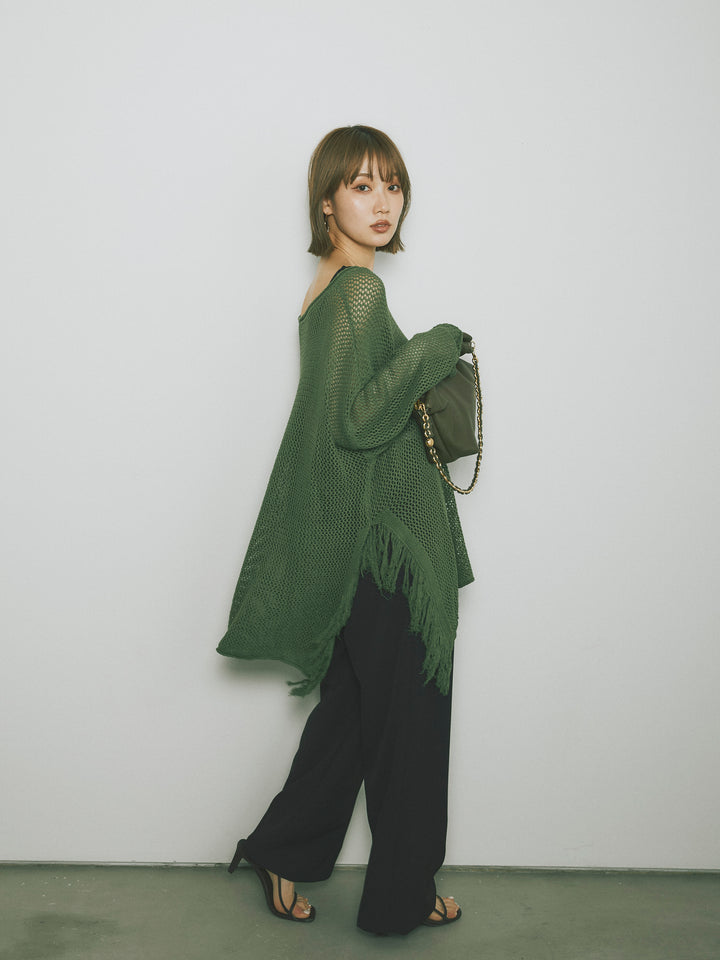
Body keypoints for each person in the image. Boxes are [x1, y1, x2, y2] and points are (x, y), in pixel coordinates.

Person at [217, 124, 474, 935]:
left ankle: (282, 849)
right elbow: (359, 422)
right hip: (388, 549)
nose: (382, 201)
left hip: (364, 548)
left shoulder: (328, 287)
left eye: (392, 184)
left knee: (354, 716)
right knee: (411, 720)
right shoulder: (358, 291)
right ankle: (403, 894)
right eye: (361, 185)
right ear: (326, 202)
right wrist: (436, 344)